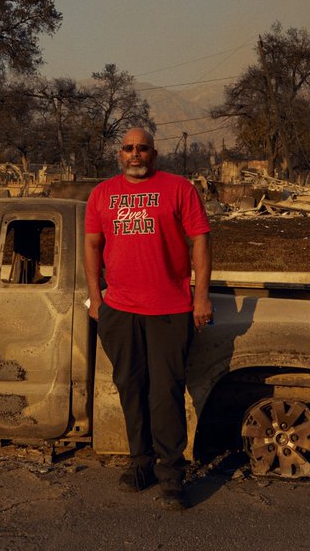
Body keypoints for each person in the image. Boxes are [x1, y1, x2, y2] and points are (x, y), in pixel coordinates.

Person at [84, 127, 212, 511]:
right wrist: (96, 297)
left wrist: (200, 296)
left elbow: (201, 240)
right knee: (130, 387)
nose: (135, 154)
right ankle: (140, 464)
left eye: (142, 148)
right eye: (128, 149)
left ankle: (171, 476)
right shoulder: (102, 195)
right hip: (120, 311)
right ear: (119, 155)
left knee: (166, 393)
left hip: (170, 309)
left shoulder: (178, 189)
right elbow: (92, 245)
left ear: (154, 154)